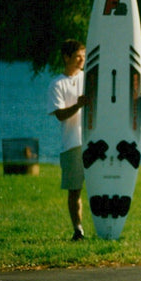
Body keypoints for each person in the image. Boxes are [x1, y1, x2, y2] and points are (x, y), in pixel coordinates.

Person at [47, 39, 90, 241]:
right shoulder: (57, 84)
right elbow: (60, 115)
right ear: (67, 57)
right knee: (75, 190)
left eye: (84, 55)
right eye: (78, 56)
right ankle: (78, 229)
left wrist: (138, 91)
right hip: (72, 143)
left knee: (99, 187)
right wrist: (78, 105)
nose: (82, 59)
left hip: (93, 140)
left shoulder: (89, 77)